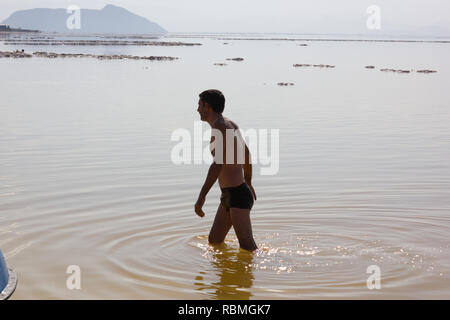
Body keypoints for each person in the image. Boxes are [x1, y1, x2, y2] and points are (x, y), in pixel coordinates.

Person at [194, 89, 258, 252]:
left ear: (207, 106)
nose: (197, 109)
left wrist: (202, 196)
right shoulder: (230, 124)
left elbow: (217, 165)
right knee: (214, 240)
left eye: (199, 105)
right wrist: (249, 181)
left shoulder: (220, 127)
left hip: (237, 195)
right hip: (231, 194)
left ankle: (271, 270)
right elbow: (246, 153)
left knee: (248, 247)